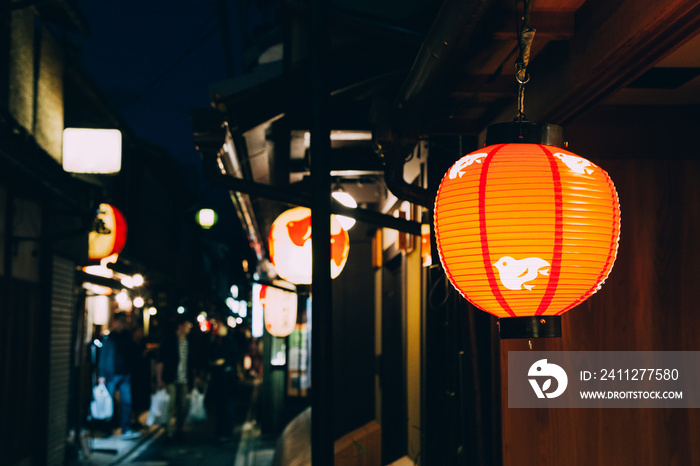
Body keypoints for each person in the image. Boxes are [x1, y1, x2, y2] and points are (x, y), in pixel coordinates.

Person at [98, 312, 140, 439]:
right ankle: (108, 428)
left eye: (124, 321)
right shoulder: (109, 337)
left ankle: (125, 428)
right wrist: (101, 374)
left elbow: (133, 354)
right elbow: (103, 356)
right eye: (120, 321)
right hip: (112, 374)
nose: (122, 324)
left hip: (125, 374)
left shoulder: (128, 336)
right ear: (115, 322)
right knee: (108, 401)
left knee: (126, 402)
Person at [156, 316, 193, 440]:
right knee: (170, 406)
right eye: (187, 325)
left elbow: (191, 361)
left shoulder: (188, 341)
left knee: (183, 406)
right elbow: (161, 360)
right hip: (171, 377)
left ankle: (179, 430)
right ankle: (169, 433)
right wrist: (159, 378)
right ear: (180, 326)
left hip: (184, 378)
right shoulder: (170, 340)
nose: (189, 328)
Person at [207, 321, 239, 442]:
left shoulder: (230, 341)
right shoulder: (214, 341)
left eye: (220, 326)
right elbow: (208, 354)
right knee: (219, 406)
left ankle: (227, 431)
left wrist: (223, 361)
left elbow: (233, 357)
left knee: (227, 405)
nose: (218, 328)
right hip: (217, 379)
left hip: (227, 379)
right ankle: (219, 431)